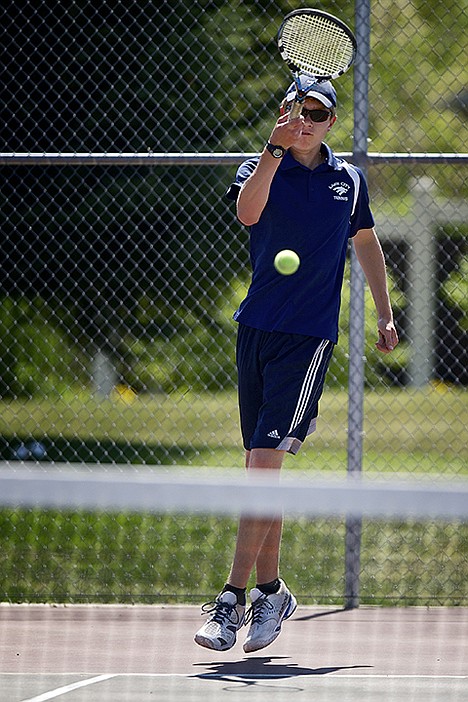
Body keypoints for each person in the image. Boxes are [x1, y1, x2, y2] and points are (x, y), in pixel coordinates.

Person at [194, 76, 399, 653]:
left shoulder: (348, 181)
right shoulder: (261, 164)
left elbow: (366, 244)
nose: (306, 120)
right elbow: (246, 213)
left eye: (318, 113)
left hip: (307, 340)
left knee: (262, 468)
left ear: (332, 122)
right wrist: (273, 148)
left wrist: (385, 314)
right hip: (255, 330)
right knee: (265, 467)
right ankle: (272, 592)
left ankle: (231, 600)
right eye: (298, 110)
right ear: (285, 112)